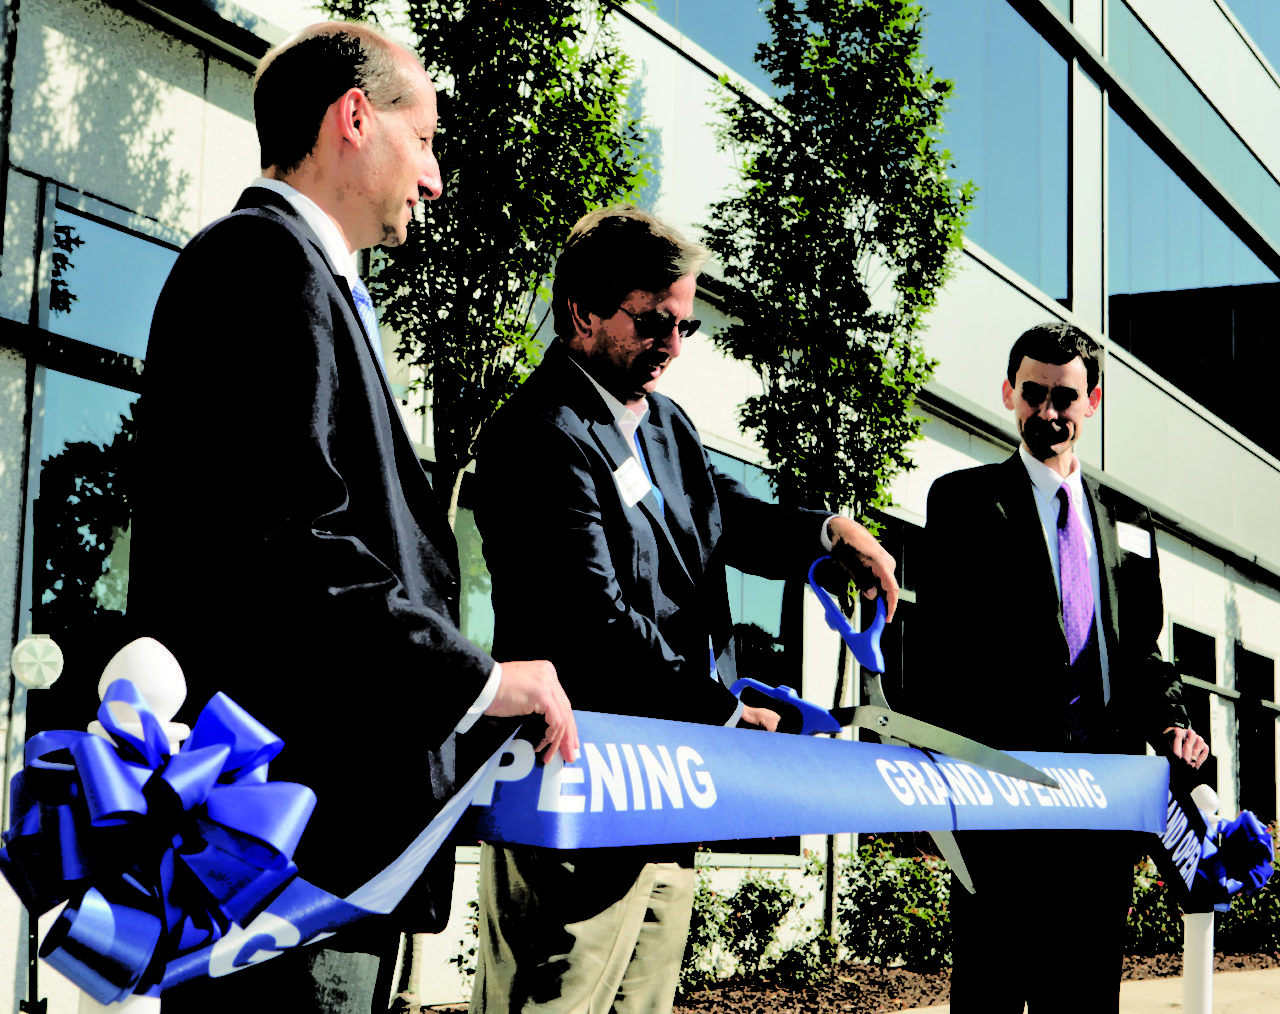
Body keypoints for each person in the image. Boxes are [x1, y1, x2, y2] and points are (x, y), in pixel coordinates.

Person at [124, 22, 578, 1013]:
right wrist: (480, 679)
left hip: (304, 838)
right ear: (354, 118)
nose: (436, 176)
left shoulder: (298, 276)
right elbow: (289, 539)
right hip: (286, 844)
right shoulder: (263, 263)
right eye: (424, 140)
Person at [467, 205, 900, 1013]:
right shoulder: (540, 434)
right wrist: (726, 718)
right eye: (653, 323)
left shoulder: (665, 422)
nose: (671, 347)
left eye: (685, 326)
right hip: (576, 790)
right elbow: (590, 623)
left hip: (669, 788)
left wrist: (830, 532)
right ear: (582, 313)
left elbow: (724, 514)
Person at [915, 322, 1209, 1012]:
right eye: (1034, 394)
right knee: (991, 992)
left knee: (1083, 997)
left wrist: (1171, 725)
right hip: (1001, 808)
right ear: (1010, 395)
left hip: (1101, 813)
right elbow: (936, 652)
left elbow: (1140, 653)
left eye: (1066, 397)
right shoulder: (962, 503)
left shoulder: (1128, 522)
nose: (1049, 412)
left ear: (1094, 401)